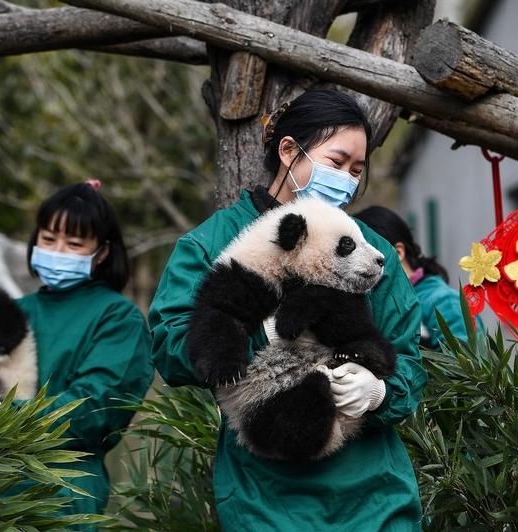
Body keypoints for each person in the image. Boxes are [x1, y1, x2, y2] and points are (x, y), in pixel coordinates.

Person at [150, 90, 427, 530]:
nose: (348, 181)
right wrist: (251, 334)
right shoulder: (213, 242)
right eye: (336, 163)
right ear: (288, 151)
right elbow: (169, 347)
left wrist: (379, 392)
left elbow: (408, 356)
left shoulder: (368, 249)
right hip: (266, 492)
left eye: (357, 170)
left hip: (372, 492)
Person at [16, 181, 154, 520]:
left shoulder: (117, 318)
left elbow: (94, 410)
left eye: (74, 243)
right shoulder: (11, 310)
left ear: (102, 252)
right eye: (48, 239)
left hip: (59, 492)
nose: (57, 251)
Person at [355, 205, 483, 350]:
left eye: (370, 253)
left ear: (398, 253)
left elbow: (469, 367)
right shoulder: (380, 304)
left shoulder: (444, 302)